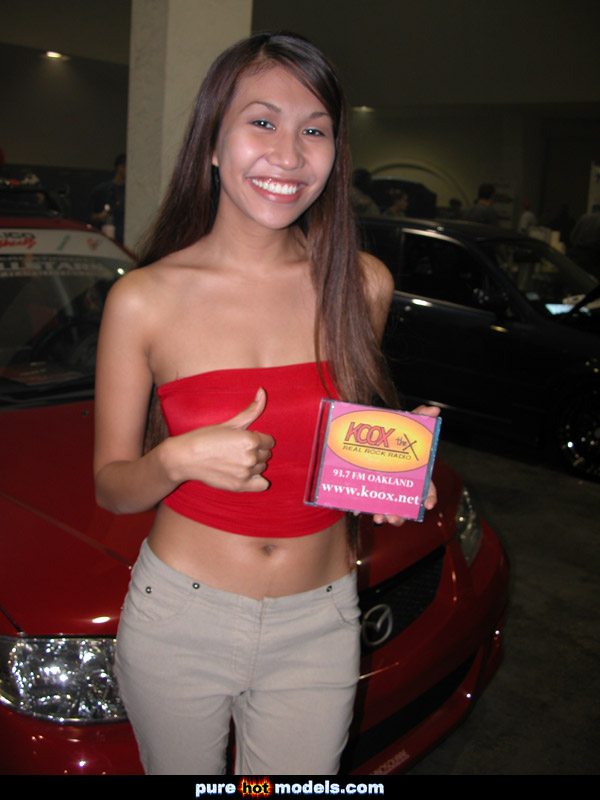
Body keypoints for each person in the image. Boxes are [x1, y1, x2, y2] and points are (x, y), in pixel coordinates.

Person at [94, 32, 438, 776]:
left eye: (314, 130)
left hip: (321, 617)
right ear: (212, 144)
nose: (288, 154)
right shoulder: (144, 299)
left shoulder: (362, 283)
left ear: (336, 153)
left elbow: (338, 447)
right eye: (261, 122)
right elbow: (112, 487)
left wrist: (389, 471)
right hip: (180, 617)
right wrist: (174, 459)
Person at [89, 153, 126, 243]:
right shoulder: (101, 190)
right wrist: (100, 216)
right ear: (120, 167)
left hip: (123, 238)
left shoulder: (130, 192)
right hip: (104, 238)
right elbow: (88, 216)